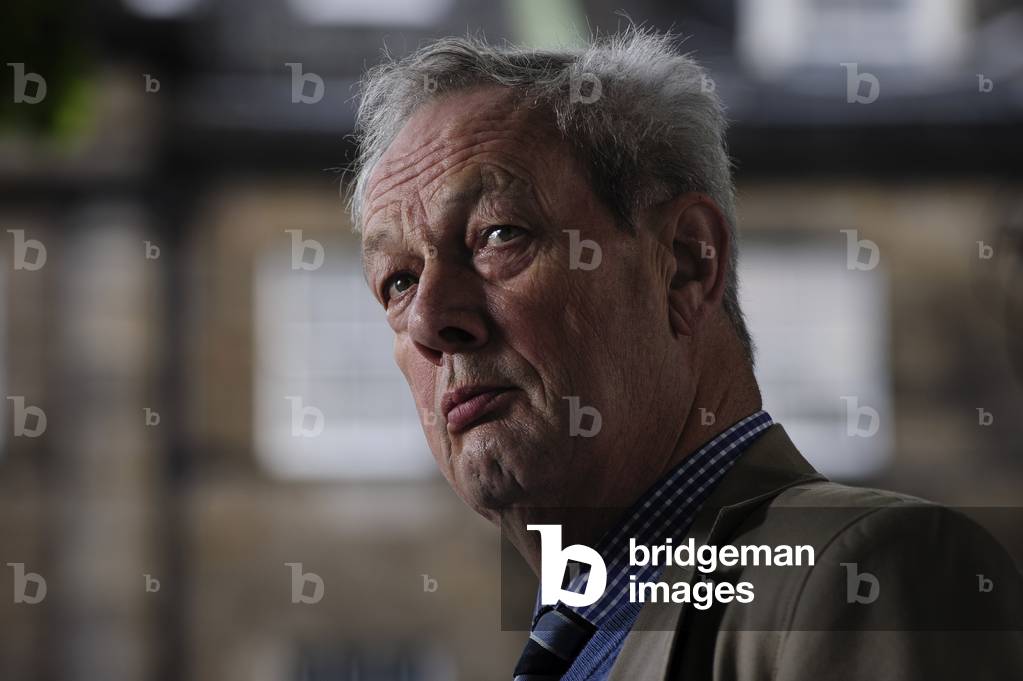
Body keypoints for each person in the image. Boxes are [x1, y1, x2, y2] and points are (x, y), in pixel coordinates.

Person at [348, 28, 1023, 680]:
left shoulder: (863, 576)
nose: (431, 319)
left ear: (684, 264)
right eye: (399, 280)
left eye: (498, 234)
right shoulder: (582, 630)